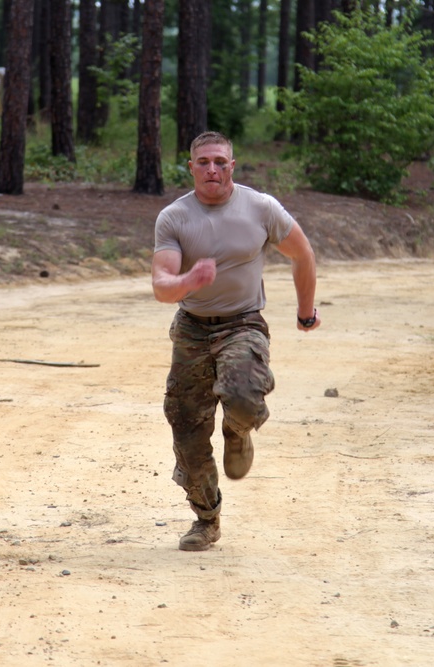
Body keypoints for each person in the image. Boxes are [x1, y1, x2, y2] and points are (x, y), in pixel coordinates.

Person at [151, 131, 319, 552]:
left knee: (243, 396)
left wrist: (306, 312)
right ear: (191, 167)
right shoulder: (174, 217)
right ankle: (206, 519)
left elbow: (303, 254)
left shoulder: (260, 208)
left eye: (220, 162)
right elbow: (161, 284)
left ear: (232, 166)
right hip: (191, 327)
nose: (212, 169)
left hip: (243, 322)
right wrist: (188, 281)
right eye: (203, 162)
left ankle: (237, 429)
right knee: (186, 428)